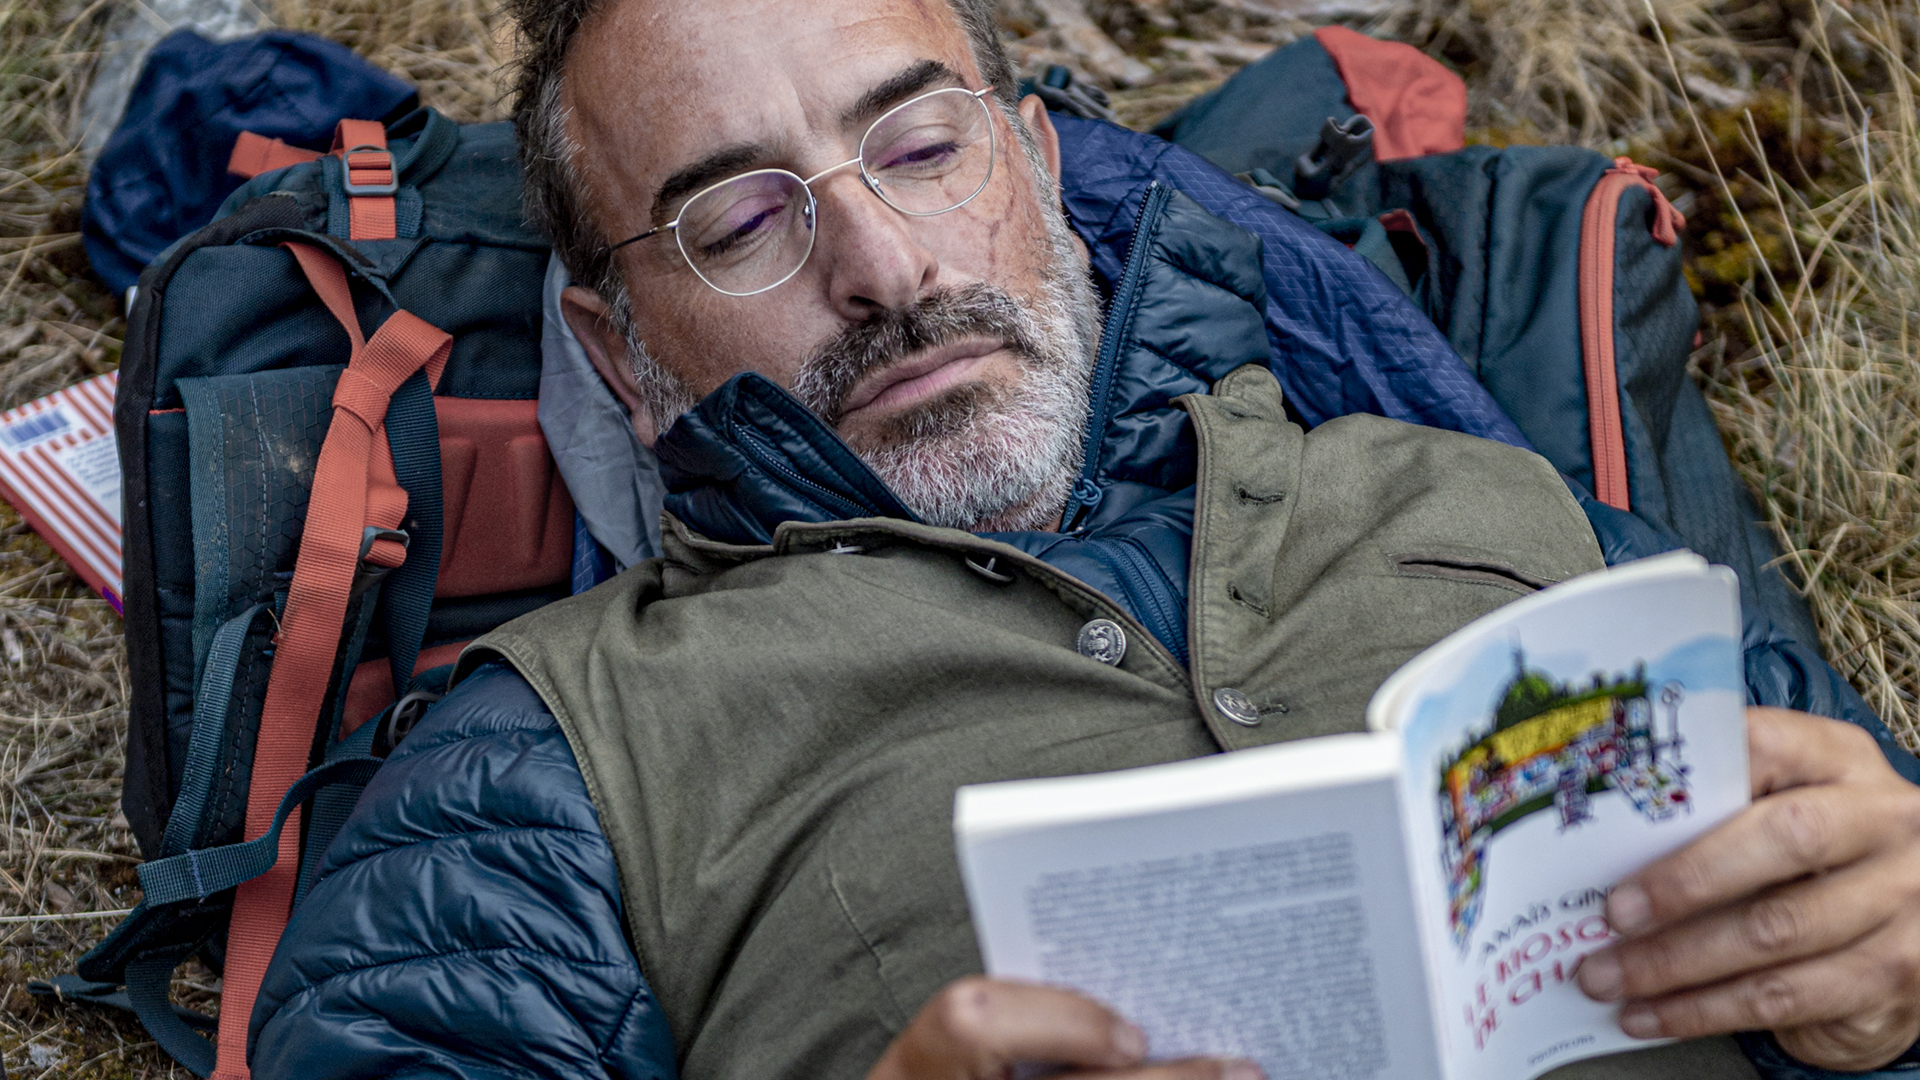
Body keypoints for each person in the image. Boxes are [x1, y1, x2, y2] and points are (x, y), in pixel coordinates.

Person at [249, 1, 1920, 1078]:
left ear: (1038, 168)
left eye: (921, 146)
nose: (886, 268)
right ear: (619, 356)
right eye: (742, 220)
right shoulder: (549, 753)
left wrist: (1894, 986)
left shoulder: (1503, 508)